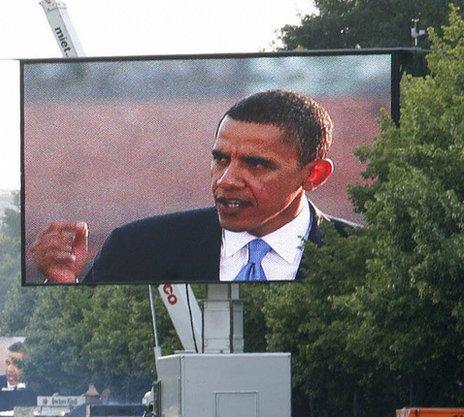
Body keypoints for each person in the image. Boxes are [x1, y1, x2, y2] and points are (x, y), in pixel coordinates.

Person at [30, 89, 359, 283]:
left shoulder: (363, 257)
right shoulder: (136, 249)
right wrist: (62, 283)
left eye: (256, 164)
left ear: (314, 175)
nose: (227, 179)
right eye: (220, 159)